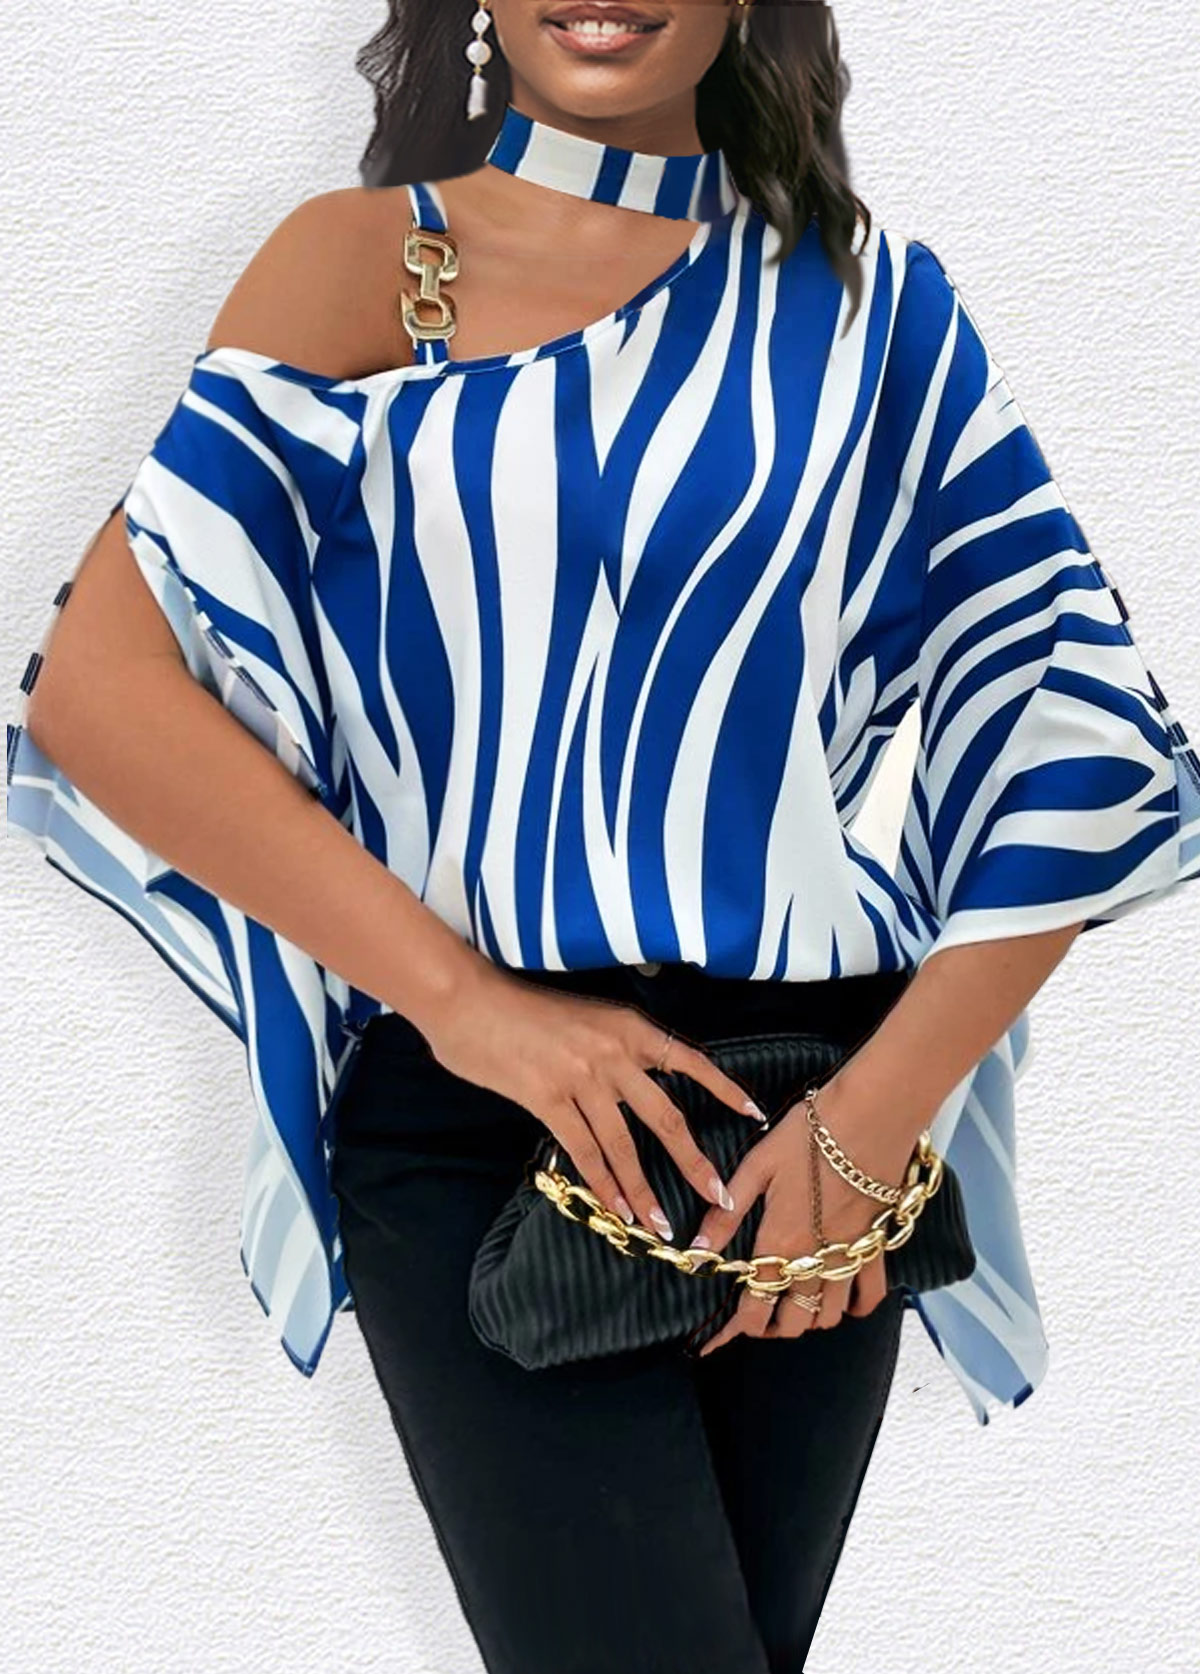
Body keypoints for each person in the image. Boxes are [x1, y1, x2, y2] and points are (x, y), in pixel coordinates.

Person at [8, 2, 1200, 1669]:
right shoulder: (372, 262)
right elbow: (100, 687)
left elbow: (1081, 721)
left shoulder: (867, 304)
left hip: (806, 1124)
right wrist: (465, 1002)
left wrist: (873, 1119)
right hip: (474, 1121)